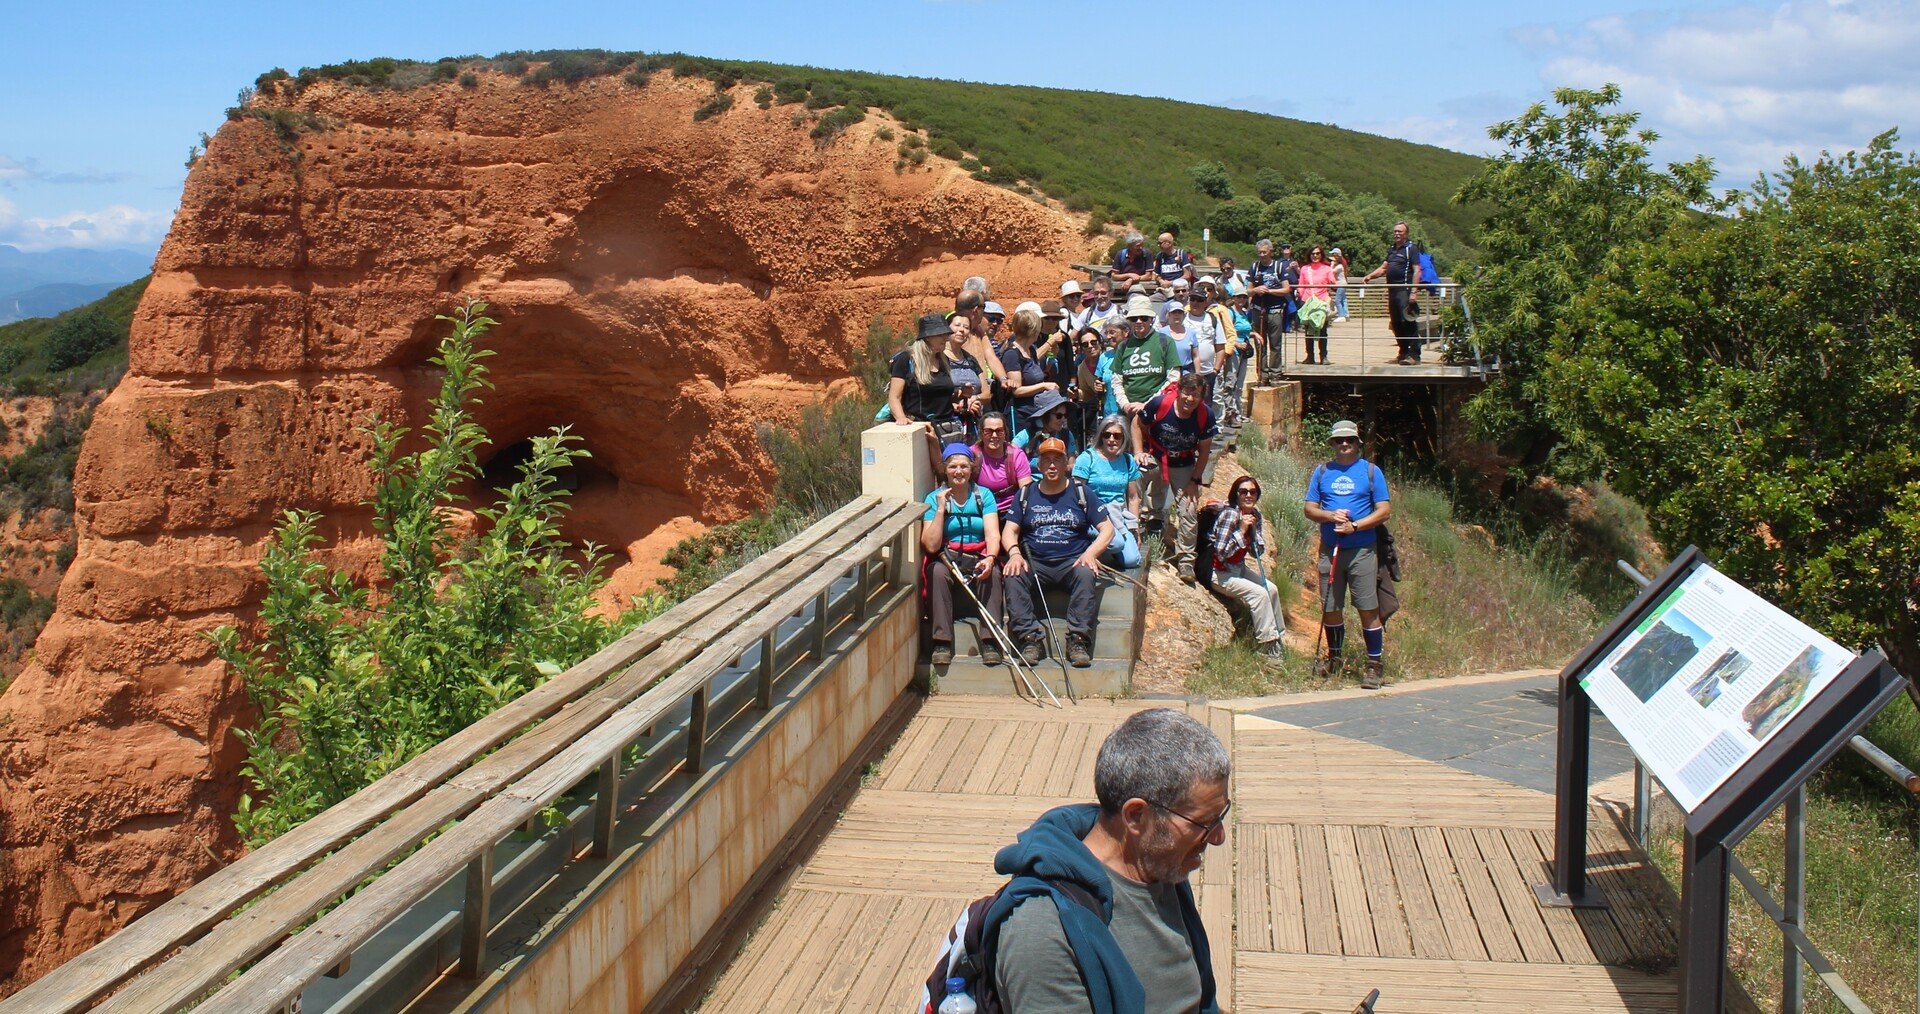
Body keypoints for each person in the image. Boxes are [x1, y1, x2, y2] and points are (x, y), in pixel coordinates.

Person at [987, 708, 1226, 1013]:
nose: (1217, 837)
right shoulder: (1042, 932)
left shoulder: (1161, 866)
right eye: (1202, 823)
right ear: (1136, 816)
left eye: (1219, 817)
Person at [1004, 437, 1114, 667]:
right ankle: (1029, 639)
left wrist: (1090, 554)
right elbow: (1009, 530)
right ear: (1039, 465)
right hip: (1036, 563)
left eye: (1057, 460)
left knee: (1086, 573)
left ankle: (1078, 640)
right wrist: (1014, 553)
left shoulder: (1081, 492)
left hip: (1072, 562)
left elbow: (1107, 529)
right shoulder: (1026, 494)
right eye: (1046, 460)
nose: (1052, 465)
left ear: (1066, 464)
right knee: (1013, 575)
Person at [1304, 419, 1393, 688]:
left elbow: (1384, 510)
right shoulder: (1321, 472)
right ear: (1332, 443)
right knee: (1331, 607)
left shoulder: (1370, 472)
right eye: (1339, 440)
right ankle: (1335, 658)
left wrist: (1355, 526)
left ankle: (1374, 665)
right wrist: (1331, 516)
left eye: (1350, 440)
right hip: (1329, 550)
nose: (1344, 444)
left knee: (1367, 607)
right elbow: (1309, 509)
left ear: (1357, 443)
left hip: (1362, 550)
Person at [923, 444, 1005, 667]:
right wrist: (941, 509)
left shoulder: (983, 495)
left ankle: (990, 640)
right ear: (945, 469)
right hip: (947, 558)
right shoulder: (933, 498)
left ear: (971, 468)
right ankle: (941, 640)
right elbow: (930, 545)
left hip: (978, 554)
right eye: (953, 467)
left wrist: (990, 558)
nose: (958, 472)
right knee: (937, 573)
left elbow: (993, 535)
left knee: (994, 573)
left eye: (963, 466)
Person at [1133, 374, 1216, 584]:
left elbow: (1205, 450)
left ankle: (1186, 560)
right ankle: (1137, 528)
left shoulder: (1205, 415)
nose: (1190, 399)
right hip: (1156, 456)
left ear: (1201, 398)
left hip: (1184, 462)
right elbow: (1137, 423)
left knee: (1189, 508)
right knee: (1134, 479)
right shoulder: (1161, 404)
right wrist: (1138, 452)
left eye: (1195, 395)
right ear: (1179, 391)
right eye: (1187, 393)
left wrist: (1194, 481)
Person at [1207, 475, 1284, 660]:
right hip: (1220, 573)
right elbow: (1221, 552)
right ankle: (1266, 647)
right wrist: (1241, 531)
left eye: (1253, 492)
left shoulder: (1254, 515)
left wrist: (1254, 531)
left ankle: (1278, 639)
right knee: (1259, 595)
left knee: (1271, 589)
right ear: (1236, 494)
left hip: (1238, 569)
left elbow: (1256, 552)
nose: (1248, 495)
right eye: (1243, 491)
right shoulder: (1230, 515)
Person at [888, 313, 962, 472]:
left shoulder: (943, 360)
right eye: (942, 335)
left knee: (950, 475)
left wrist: (961, 396)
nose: (947, 338)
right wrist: (901, 418)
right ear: (928, 337)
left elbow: (940, 395)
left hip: (948, 430)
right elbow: (894, 396)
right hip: (922, 431)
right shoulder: (906, 360)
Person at [1074, 414, 1145, 569]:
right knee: (1116, 542)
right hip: (1093, 515)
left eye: (1117, 436)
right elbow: (1076, 493)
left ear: (1124, 438)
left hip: (1118, 514)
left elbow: (1133, 498)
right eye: (1107, 435)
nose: (1112, 439)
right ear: (1101, 436)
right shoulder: (1087, 458)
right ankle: (1087, 544)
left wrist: (1135, 528)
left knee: (1132, 561)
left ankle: (1103, 549)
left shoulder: (1128, 460)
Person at [1360, 222, 1424, 364]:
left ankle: (1414, 355)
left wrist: (1414, 291)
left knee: (1407, 321)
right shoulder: (1392, 249)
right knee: (1396, 323)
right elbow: (1384, 268)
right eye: (1395, 231)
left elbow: (1417, 270)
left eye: (1400, 231)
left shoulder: (1411, 249)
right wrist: (1370, 276)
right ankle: (1403, 352)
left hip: (1405, 289)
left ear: (1406, 234)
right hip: (1392, 290)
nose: (1396, 234)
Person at [1112, 295, 1180, 415]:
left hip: (1157, 410)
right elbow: (1117, 380)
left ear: (1151, 319)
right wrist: (1125, 405)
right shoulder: (1123, 346)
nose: (1139, 322)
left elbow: (1174, 379)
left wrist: (1147, 404)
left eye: (1144, 318)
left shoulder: (1165, 342)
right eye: (1134, 318)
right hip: (1128, 411)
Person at [1000, 305, 1063, 433]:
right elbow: (1016, 390)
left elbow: (1036, 374)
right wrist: (1043, 386)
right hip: (1021, 415)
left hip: (1037, 410)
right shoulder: (1012, 354)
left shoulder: (1031, 350)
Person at [1245, 239, 1290, 379]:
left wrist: (1269, 291)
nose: (1262, 255)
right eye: (1259, 252)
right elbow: (1248, 290)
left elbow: (1286, 289)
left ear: (1271, 251)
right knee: (1260, 342)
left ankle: (1275, 373)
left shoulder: (1279, 266)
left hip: (1275, 310)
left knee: (1275, 344)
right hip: (1258, 310)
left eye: (1264, 252)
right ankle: (1262, 373)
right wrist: (1256, 290)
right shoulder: (1254, 267)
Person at [973, 412, 1031, 515]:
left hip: (1011, 511)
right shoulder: (972, 454)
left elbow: (1025, 490)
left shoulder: (1016, 455)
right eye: (988, 431)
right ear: (981, 433)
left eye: (999, 431)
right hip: (980, 511)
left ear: (1005, 433)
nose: (994, 435)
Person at [942, 313, 988, 441]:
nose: (962, 330)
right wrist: (958, 402)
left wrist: (974, 398)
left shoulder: (971, 360)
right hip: (949, 424)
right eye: (957, 325)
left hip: (974, 424)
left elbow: (987, 393)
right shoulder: (939, 360)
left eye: (966, 327)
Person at [1216, 283, 1253, 423]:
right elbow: (1226, 333)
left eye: (1244, 297)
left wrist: (1254, 336)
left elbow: (1245, 330)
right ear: (1234, 298)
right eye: (1239, 297)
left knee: (1239, 383)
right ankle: (1230, 412)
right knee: (1230, 382)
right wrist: (1237, 343)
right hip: (1234, 352)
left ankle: (1238, 412)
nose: (1241, 299)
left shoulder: (1243, 313)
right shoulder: (1230, 312)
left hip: (1244, 352)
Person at [1012, 388, 1081, 459]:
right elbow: (1010, 453)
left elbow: (1071, 463)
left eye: (1065, 415)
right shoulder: (1027, 434)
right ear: (1044, 416)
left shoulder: (1067, 435)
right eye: (1059, 416)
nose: (1063, 419)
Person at [1296, 247, 1336, 365]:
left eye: (1317, 253)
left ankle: (1323, 356)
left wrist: (1334, 284)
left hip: (1321, 302)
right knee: (1308, 331)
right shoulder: (1304, 269)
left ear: (1321, 255)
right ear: (1309, 255)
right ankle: (1310, 356)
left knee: (1322, 329)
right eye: (1313, 253)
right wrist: (1299, 297)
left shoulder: (1327, 269)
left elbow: (1332, 282)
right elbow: (1301, 284)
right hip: (1308, 301)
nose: (1315, 256)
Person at [1160, 300, 1194, 376]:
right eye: (1174, 312)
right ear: (1169, 315)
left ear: (1184, 315)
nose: (1177, 315)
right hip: (1168, 372)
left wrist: (1197, 374)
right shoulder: (1160, 333)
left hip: (1187, 372)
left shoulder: (1191, 333)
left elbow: (1196, 356)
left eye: (1180, 312)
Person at [1329, 247, 1350, 323]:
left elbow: (1330, 272)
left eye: (1334, 255)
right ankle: (1346, 315)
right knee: (1343, 300)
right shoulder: (1339, 265)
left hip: (1341, 284)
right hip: (1343, 284)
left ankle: (1341, 315)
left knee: (1337, 300)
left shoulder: (1339, 266)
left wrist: (1331, 265)